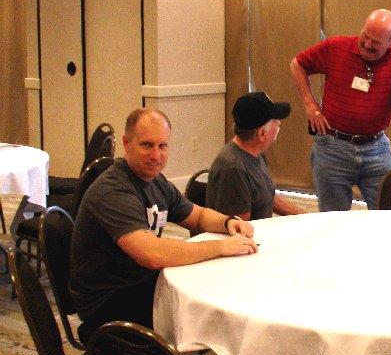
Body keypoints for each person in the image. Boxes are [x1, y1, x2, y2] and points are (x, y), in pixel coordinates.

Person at [70, 108, 259, 341]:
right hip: (108, 304)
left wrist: (229, 222)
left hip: (139, 281)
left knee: (214, 286)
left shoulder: (155, 180)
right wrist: (220, 247)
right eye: (147, 145)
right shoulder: (113, 190)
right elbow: (152, 254)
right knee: (207, 306)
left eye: (163, 146)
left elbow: (197, 216)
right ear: (127, 143)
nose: (156, 155)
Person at [289, 8, 391, 211]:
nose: (367, 44)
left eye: (376, 42)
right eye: (365, 36)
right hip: (332, 148)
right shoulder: (336, 47)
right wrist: (310, 105)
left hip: (376, 148)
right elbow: (297, 64)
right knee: (333, 219)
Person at [206, 91, 305, 220]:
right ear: (262, 134)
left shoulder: (255, 154)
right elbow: (240, 226)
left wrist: (307, 217)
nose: (279, 123)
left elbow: (267, 196)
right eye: (275, 120)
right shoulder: (234, 170)